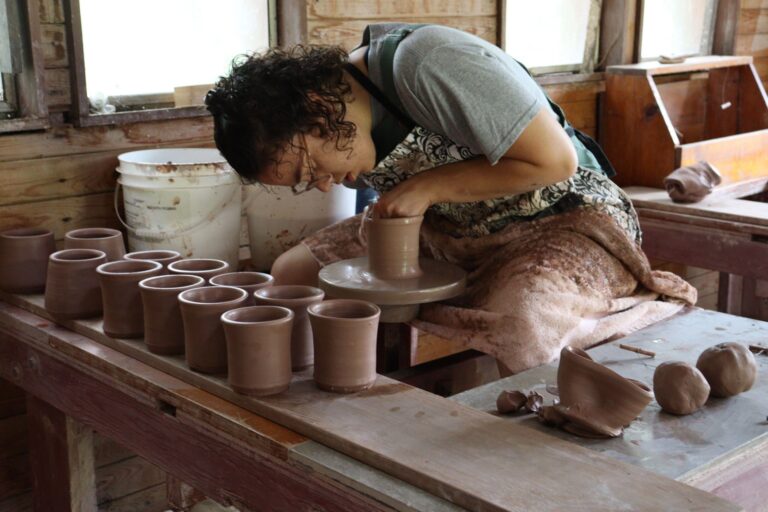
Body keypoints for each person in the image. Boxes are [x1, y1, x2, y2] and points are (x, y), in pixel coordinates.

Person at [205, 23, 694, 373]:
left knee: (525, 326)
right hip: (453, 228)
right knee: (293, 273)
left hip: (563, 217)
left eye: (309, 167)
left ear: (317, 109)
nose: (322, 184)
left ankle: (534, 453)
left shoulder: (427, 64)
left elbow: (554, 162)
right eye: (303, 181)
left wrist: (425, 188)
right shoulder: (347, 133)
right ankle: (314, 411)